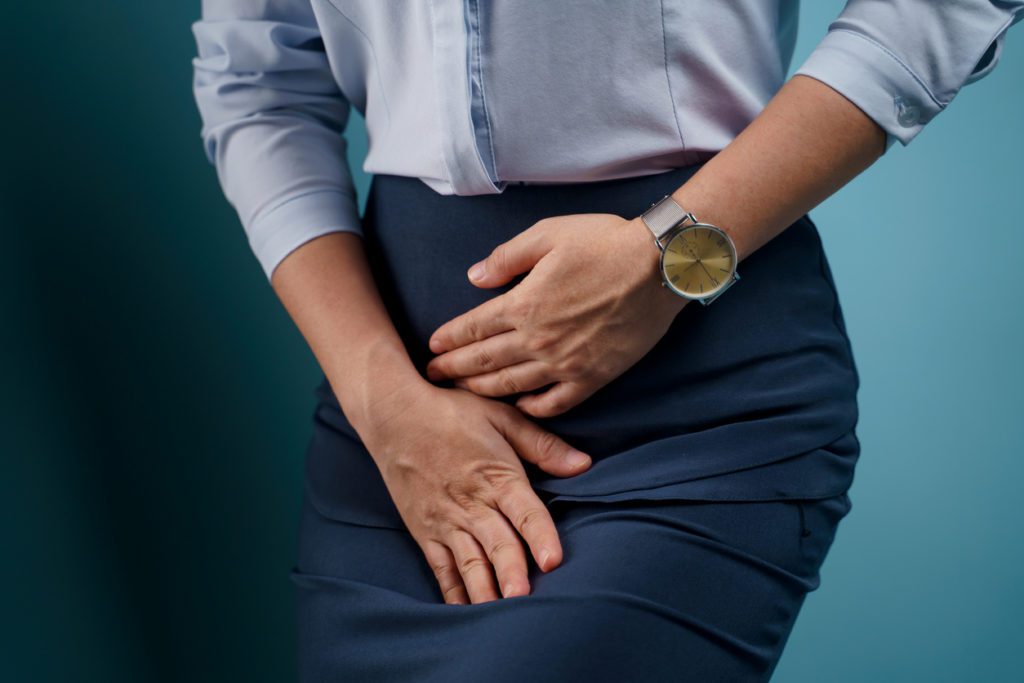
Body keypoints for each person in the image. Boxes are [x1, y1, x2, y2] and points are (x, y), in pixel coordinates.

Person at [192, 1, 1022, 680]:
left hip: (695, 411)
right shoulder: (387, 412)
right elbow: (259, 82)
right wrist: (378, 395)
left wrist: (669, 254)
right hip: (398, 434)